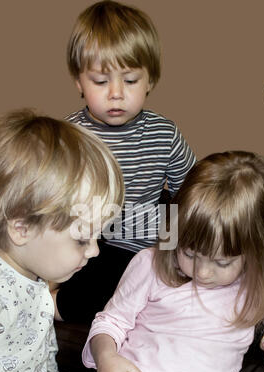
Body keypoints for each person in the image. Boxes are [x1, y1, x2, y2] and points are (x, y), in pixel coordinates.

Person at [71, 151, 264, 372]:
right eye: (190, 254)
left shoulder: (259, 283)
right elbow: (111, 321)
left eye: (221, 262)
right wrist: (106, 358)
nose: (202, 272)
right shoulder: (150, 263)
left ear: (256, 251)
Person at [0, 108, 124, 372]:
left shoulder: (33, 277)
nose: (95, 252)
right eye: (82, 239)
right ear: (21, 227)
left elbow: (39, 343)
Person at [53, 0, 196, 322]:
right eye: (101, 82)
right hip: (85, 236)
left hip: (140, 242)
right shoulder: (71, 134)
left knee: (179, 286)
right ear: (79, 82)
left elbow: (190, 192)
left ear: (150, 81)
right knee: (83, 286)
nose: (116, 93)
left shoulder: (164, 133)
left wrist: (175, 241)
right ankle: (47, 304)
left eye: (130, 80)